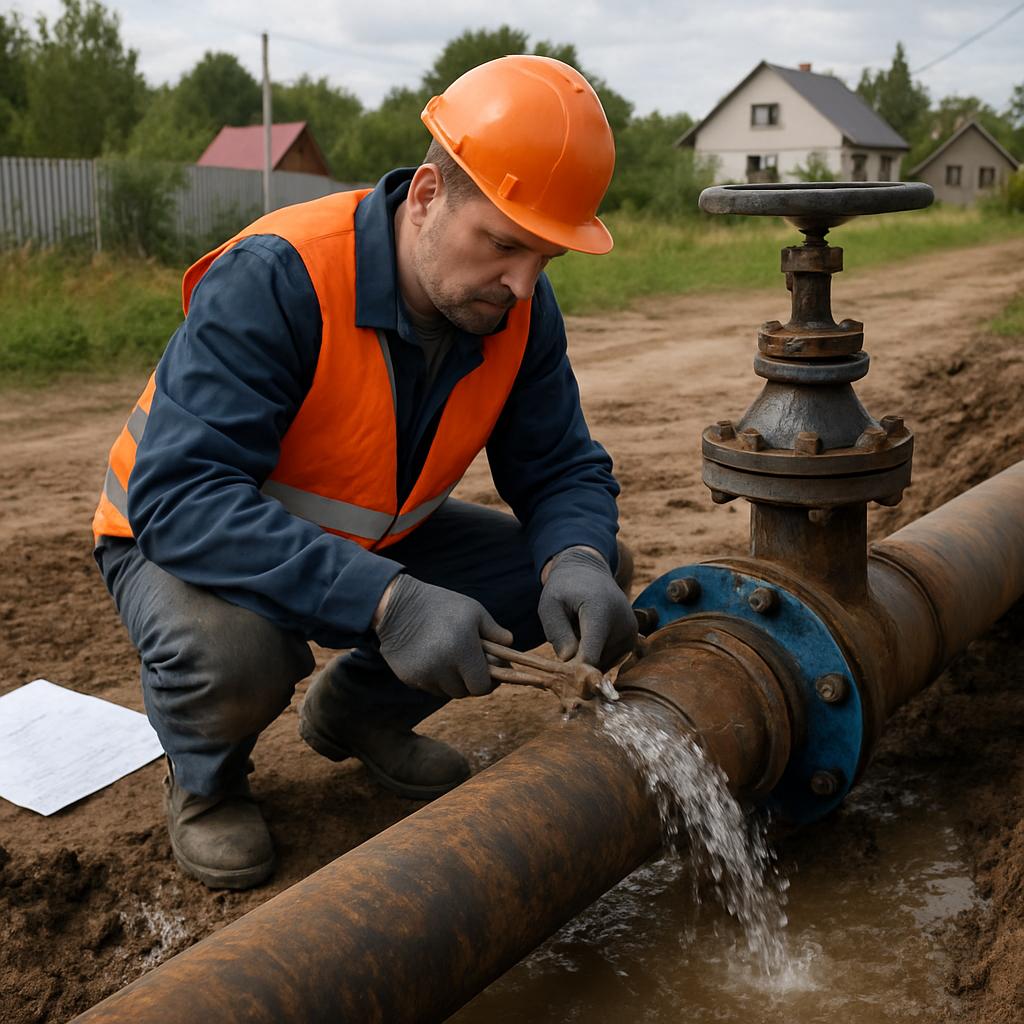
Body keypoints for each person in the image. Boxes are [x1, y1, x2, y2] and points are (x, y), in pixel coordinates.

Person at [92, 54, 637, 891]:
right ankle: (206, 783)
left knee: (571, 571)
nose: (523, 284)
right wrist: (388, 601)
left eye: (547, 259)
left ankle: (359, 713)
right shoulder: (281, 276)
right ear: (426, 195)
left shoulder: (515, 309)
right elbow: (182, 496)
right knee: (238, 654)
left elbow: (560, 464)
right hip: (183, 535)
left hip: (372, 533)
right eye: (502, 243)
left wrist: (581, 559)